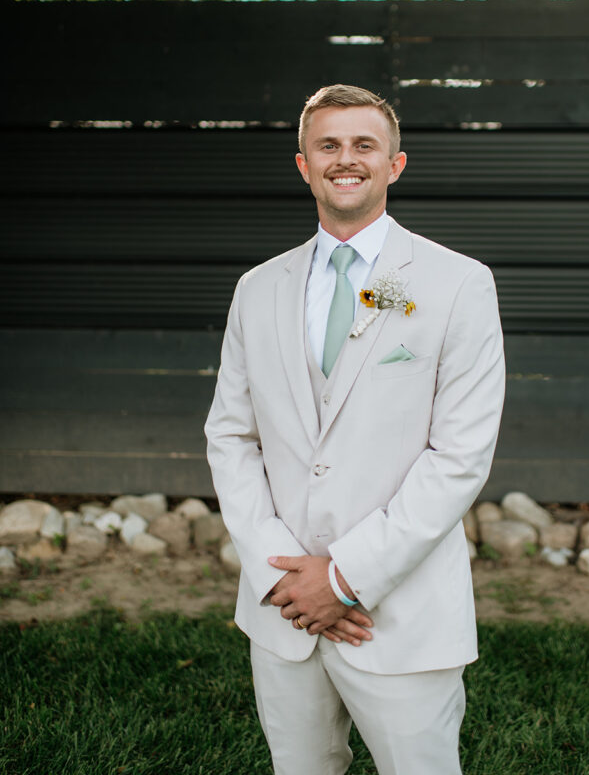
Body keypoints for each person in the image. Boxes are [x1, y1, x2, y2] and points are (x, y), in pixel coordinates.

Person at [205, 84, 505, 775]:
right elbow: (231, 435)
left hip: (398, 614)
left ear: (395, 164)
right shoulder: (259, 288)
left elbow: (459, 456)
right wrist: (284, 572)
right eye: (328, 145)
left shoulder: (456, 283)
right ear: (303, 165)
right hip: (284, 613)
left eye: (364, 145)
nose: (347, 159)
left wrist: (343, 578)